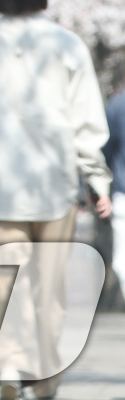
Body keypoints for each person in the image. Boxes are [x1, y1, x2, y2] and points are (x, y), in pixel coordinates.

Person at [0, 0, 111, 400]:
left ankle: (7, 372)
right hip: (54, 186)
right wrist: (96, 178)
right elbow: (86, 124)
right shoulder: (67, 44)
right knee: (47, 288)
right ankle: (45, 377)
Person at [104, 82, 125, 298]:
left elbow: (105, 149)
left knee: (123, 262)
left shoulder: (116, 105)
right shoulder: (117, 105)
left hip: (122, 193)